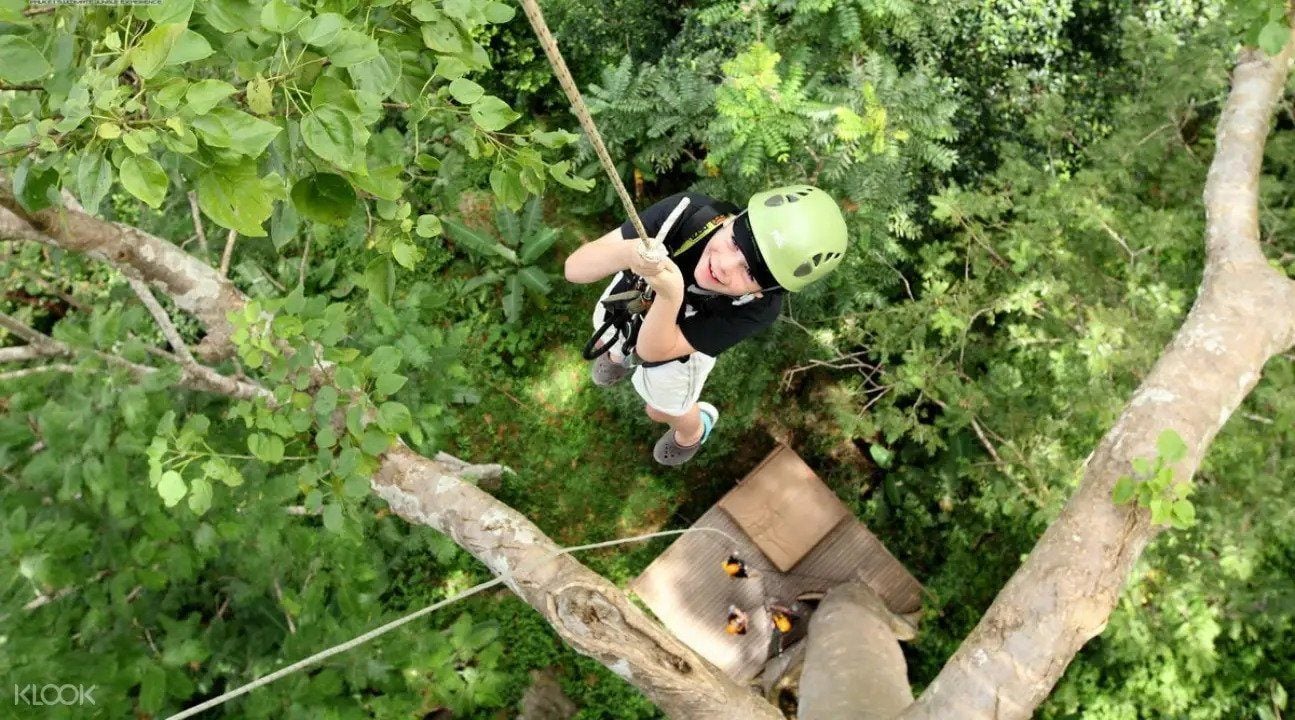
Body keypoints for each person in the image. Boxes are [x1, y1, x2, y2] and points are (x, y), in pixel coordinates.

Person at [563, 185, 848, 466]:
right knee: (607, 325)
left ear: (762, 292)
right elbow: (574, 268)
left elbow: (654, 350)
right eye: (736, 241)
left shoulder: (757, 309)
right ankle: (616, 357)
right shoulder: (684, 213)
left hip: (681, 342)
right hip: (639, 295)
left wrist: (670, 295)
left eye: (749, 272)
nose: (725, 265)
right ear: (733, 218)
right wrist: (628, 253)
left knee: (659, 408)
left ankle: (693, 431)